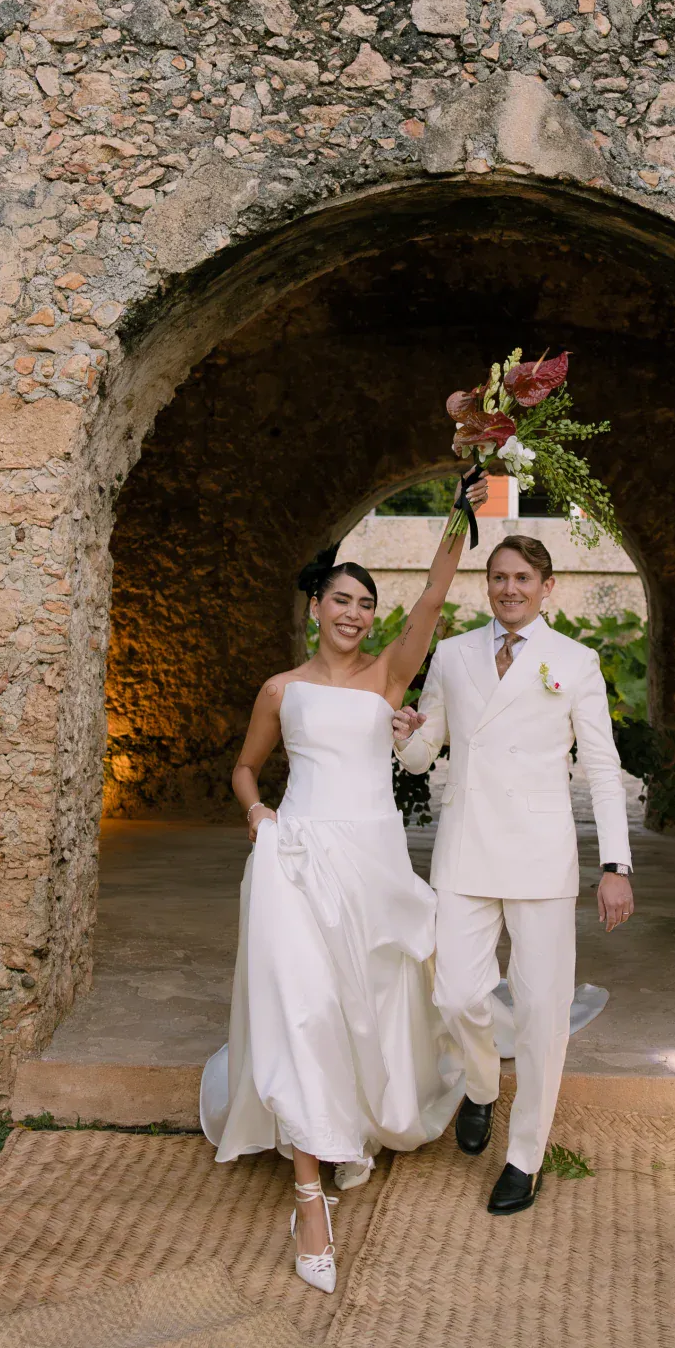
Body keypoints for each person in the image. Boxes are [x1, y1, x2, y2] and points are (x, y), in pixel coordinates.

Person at [200, 465, 487, 1295]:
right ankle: (307, 1192)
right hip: (293, 859)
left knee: (367, 1000)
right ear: (316, 606)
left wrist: (458, 512)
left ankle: (349, 1122)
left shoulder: (387, 678)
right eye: (342, 600)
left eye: (366, 603)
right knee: (306, 1004)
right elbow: (246, 769)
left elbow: (433, 599)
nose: (356, 613)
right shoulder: (279, 689)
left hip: (371, 859)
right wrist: (257, 814)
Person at [392, 535, 635, 1216]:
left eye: (522, 577)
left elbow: (603, 768)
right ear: (487, 584)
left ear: (546, 585)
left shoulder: (577, 661)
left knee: (541, 1013)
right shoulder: (454, 653)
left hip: (540, 854)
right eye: (498, 577)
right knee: (457, 995)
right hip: (467, 849)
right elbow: (419, 756)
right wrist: (403, 730)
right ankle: (480, 1084)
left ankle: (523, 1155)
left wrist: (615, 864)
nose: (509, 588)